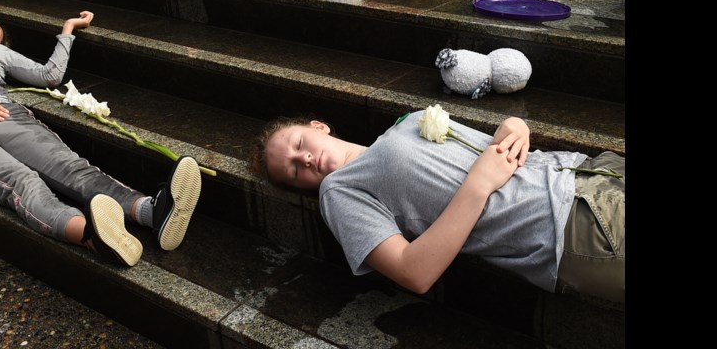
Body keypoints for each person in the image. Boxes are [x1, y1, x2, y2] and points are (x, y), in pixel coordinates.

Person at [0, 12, 203, 266]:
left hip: (4, 115)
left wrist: (68, 30)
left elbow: (49, 75)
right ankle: (92, 236)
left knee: (70, 167)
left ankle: (152, 211)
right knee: (21, 182)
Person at [249, 110, 624, 305]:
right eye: (294, 170)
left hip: (585, 169)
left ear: (318, 126)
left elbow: (487, 155)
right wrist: (478, 184)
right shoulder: (339, 192)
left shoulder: (401, 127)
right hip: (570, 223)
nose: (307, 158)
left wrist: (513, 129)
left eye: (300, 143)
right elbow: (415, 273)